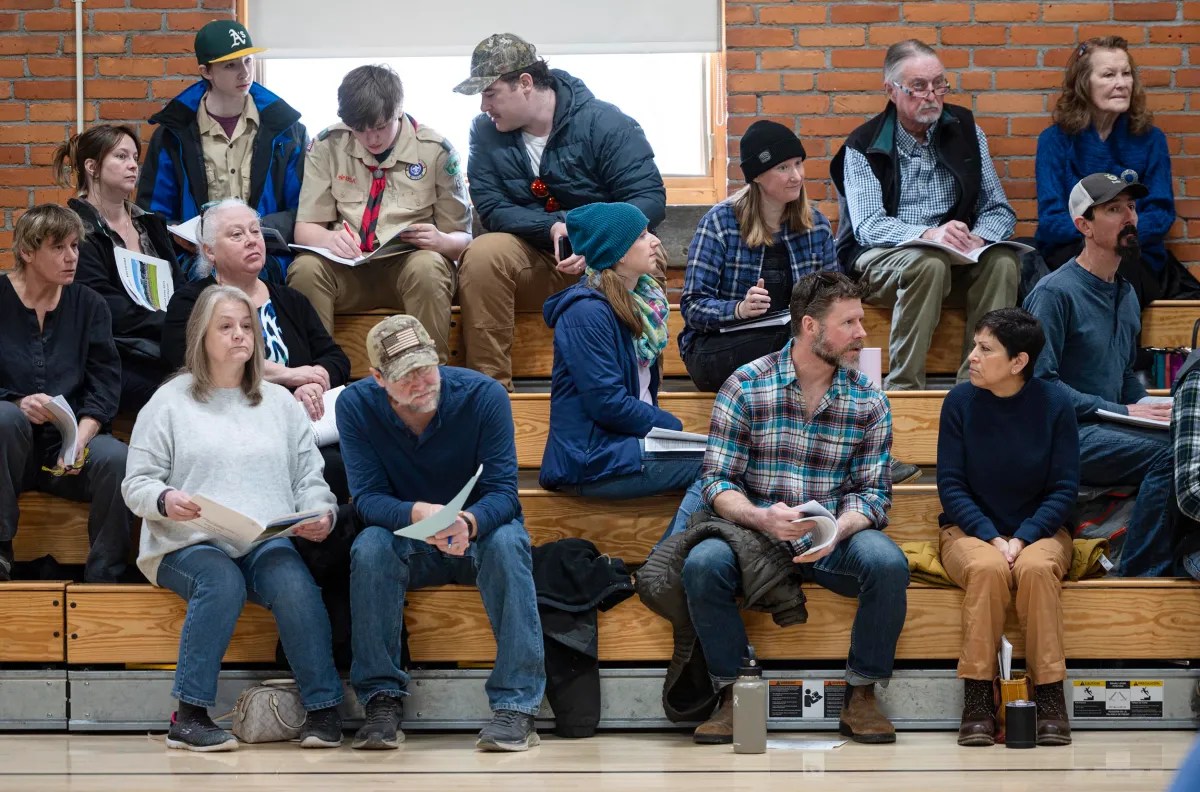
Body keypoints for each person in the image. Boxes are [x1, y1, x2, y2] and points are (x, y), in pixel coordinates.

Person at [650, 271, 907, 745]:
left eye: (861, 321)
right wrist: (761, 517)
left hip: (833, 536)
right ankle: (734, 695)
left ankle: (863, 694)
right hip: (758, 532)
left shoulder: (869, 399)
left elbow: (874, 493)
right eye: (849, 322)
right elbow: (717, 480)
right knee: (703, 564)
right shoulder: (746, 385)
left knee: (888, 563)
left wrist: (837, 528)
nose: (862, 334)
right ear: (810, 327)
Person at [121, 284, 343, 752]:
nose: (240, 335)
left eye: (246, 326)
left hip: (262, 538)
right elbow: (136, 483)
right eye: (226, 326)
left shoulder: (280, 403)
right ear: (201, 335)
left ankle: (323, 710)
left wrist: (322, 513)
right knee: (221, 582)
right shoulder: (169, 402)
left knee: (294, 583)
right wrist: (165, 500)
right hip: (184, 542)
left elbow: (310, 479)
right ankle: (191, 715)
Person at [337, 315, 545, 752]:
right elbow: (367, 499)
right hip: (405, 534)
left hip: (477, 531)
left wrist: (466, 521)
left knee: (509, 541)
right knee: (368, 545)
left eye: (425, 368)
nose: (420, 382)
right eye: (404, 376)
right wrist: (420, 513)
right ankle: (380, 699)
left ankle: (517, 706)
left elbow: (505, 494)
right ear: (378, 378)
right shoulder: (355, 405)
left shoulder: (484, 395)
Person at [453, 33, 667, 390]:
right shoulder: (484, 133)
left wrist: (592, 239)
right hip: (535, 259)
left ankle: (637, 392)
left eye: (490, 94)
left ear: (524, 83)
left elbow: (648, 200)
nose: (483, 107)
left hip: (608, 261)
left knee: (649, 253)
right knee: (482, 253)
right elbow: (492, 209)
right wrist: (553, 227)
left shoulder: (606, 123)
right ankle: (489, 394)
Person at [831, 39, 1020, 391]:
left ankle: (975, 386)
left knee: (1004, 262)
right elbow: (869, 225)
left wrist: (979, 237)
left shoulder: (967, 131)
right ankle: (904, 387)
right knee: (927, 263)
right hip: (883, 261)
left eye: (939, 84)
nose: (931, 95)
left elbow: (999, 208)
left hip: (955, 258)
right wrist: (930, 235)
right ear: (891, 90)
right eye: (918, 86)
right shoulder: (862, 145)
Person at [936, 308, 1079, 747]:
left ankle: (1051, 696)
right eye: (975, 345)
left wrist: (1022, 537)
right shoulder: (959, 402)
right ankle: (978, 697)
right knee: (988, 569)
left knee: (1035, 570)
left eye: (985, 349)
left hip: (1041, 531)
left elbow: (1064, 488)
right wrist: (994, 537)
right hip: (969, 530)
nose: (972, 357)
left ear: (1018, 362)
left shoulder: (1056, 405)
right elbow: (951, 485)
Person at [1024, 173, 1174, 577]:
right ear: (1083, 226)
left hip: (1107, 428)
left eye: (1131, 207)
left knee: (1188, 439)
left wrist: (1154, 406)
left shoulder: (1126, 293)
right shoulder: (1054, 293)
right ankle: (1139, 576)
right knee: (1171, 453)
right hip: (1061, 438)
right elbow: (1040, 386)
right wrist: (1121, 408)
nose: (1130, 217)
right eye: (1113, 209)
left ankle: (1177, 559)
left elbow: (1124, 375)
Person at [162, 199, 351, 503]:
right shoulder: (191, 302)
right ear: (209, 251)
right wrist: (289, 377)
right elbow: (192, 360)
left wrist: (314, 383)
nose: (252, 240)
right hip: (227, 425)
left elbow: (335, 358)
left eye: (255, 231)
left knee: (337, 466)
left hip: (299, 426)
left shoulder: (290, 300)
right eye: (236, 235)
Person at [287, 64, 470, 354]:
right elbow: (305, 229)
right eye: (359, 130)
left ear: (398, 111)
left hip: (408, 271)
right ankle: (316, 377)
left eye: (380, 127)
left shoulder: (436, 151)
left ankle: (429, 377)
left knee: (428, 267)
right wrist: (329, 240)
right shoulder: (326, 146)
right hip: (348, 271)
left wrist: (441, 241)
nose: (371, 139)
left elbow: (463, 241)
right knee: (305, 269)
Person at [0, 205, 130, 583]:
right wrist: (15, 401)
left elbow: (105, 383)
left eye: (75, 246)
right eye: (59, 247)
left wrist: (81, 437)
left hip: (70, 452)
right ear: (27, 251)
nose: (72, 256)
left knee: (117, 458)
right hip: (10, 453)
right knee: (4, 419)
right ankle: (1, 554)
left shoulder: (90, 305)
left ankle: (106, 577)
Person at [540, 202, 700, 504]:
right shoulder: (586, 312)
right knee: (718, 465)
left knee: (726, 461)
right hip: (591, 458)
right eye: (640, 236)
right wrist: (672, 428)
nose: (654, 240)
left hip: (626, 447)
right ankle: (671, 552)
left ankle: (681, 549)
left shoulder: (641, 303)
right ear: (618, 253)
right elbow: (607, 403)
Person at [137, 20, 305, 283]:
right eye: (230, 65)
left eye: (248, 61)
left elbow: (302, 208)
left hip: (269, 260)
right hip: (199, 264)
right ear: (206, 72)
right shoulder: (172, 135)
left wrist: (255, 232)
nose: (244, 72)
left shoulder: (287, 130)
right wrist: (176, 233)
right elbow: (153, 214)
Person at [1036, 36, 1198, 305]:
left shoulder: (1151, 139)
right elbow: (1052, 221)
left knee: (1121, 265)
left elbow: (1160, 214)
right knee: (1093, 271)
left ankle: (1124, 347)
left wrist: (1115, 238)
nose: (1121, 83)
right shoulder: (1054, 141)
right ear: (1084, 83)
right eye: (1109, 75)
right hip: (1073, 252)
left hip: (1137, 252)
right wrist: (1106, 235)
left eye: (1126, 74)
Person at [680, 120, 837, 392]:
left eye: (798, 163)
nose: (796, 176)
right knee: (794, 345)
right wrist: (739, 309)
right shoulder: (719, 223)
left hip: (794, 346)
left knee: (818, 341)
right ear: (757, 176)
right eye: (783, 167)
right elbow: (693, 307)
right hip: (717, 348)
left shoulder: (817, 225)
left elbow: (834, 298)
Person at [55, 124, 184, 413]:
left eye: (135, 158)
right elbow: (104, 305)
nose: (132, 166)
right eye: (121, 156)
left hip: (164, 345)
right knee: (194, 389)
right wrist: (173, 324)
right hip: (113, 356)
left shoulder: (151, 223)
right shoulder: (75, 228)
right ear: (92, 167)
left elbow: (179, 285)